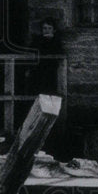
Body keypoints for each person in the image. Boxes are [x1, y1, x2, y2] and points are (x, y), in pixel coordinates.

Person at [31, 17, 65, 158]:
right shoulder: (38, 41)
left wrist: (51, 41)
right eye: (44, 28)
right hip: (39, 77)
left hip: (51, 78)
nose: (46, 31)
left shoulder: (56, 42)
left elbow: (58, 55)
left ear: (54, 30)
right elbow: (33, 52)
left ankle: (51, 144)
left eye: (49, 28)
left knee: (51, 107)